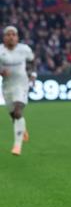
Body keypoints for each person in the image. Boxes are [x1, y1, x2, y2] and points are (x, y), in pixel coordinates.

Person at [0, 26, 36, 156]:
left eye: (13, 34)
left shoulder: (24, 49)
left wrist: (33, 74)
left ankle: (17, 146)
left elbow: (32, 61)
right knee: (13, 115)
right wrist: (1, 72)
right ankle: (22, 129)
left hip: (21, 84)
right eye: (8, 34)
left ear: (17, 37)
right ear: (4, 37)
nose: (11, 37)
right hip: (7, 85)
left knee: (17, 111)